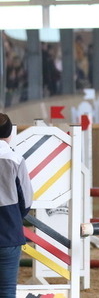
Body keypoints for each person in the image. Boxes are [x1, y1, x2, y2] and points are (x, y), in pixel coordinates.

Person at [0, 113, 33, 297]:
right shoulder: (15, 159)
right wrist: (14, 217)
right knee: (6, 289)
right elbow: (26, 199)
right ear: (9, 133)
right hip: (8, 232)